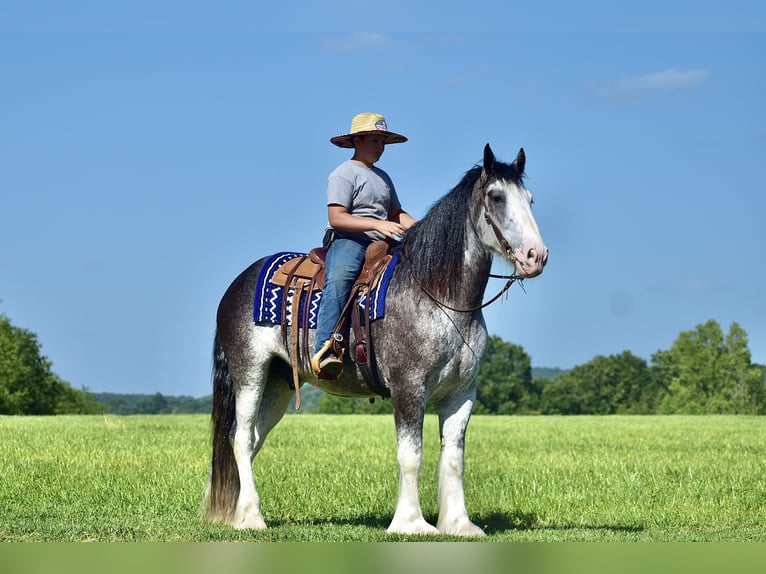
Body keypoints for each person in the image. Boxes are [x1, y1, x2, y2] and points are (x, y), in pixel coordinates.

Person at [311, 112, 417, 378]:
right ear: (357, 140)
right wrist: (377, 225)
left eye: (383, 142)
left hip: (382, 241)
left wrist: (422, 230)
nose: (380, 148)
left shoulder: (383, 177)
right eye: (374, 141)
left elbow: (396, 213)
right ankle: (327, 348)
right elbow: (336, 217)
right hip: (349, 240)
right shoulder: (344, 174)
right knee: (340, 278)